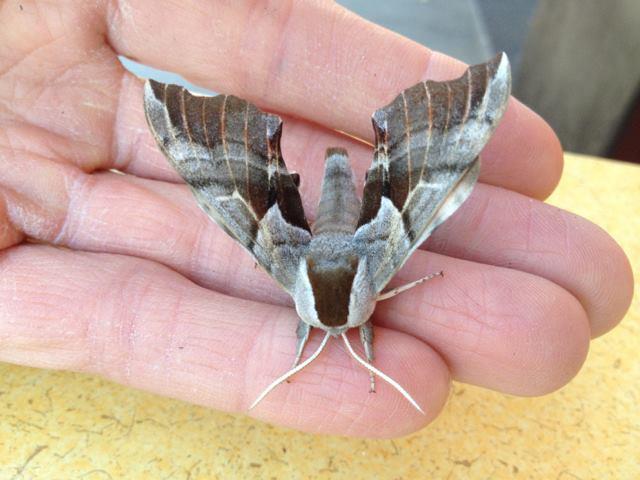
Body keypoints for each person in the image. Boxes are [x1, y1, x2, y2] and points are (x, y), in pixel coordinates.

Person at [0, 1, 632, 438]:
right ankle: (448, 117)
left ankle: (203, 128)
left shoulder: (308, 270)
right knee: (438, 184)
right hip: (358, 218)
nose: (336, 333)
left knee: (222, 192)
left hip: (323, 221)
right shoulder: (373, 272)